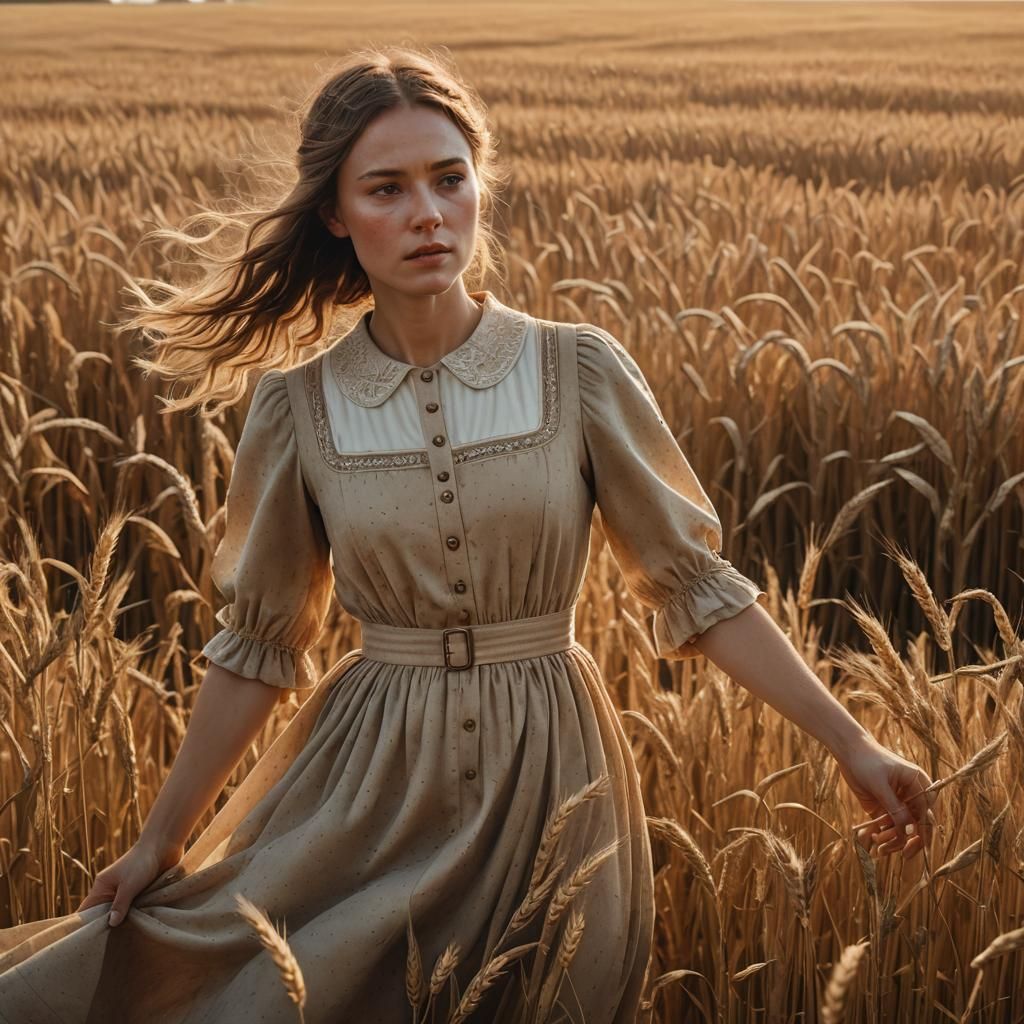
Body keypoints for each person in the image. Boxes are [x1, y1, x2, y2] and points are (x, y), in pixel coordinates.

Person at [0, 44, 937, 1024]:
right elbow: (258, 649)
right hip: (366, 788)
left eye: (450, 180)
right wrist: (158, 840)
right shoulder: (297, 410)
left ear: (479, 186)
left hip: (555, 778)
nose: (427, 214)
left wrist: (852, 743)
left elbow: (698, 591)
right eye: (388, 188)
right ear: (335, 212)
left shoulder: (577, 371)